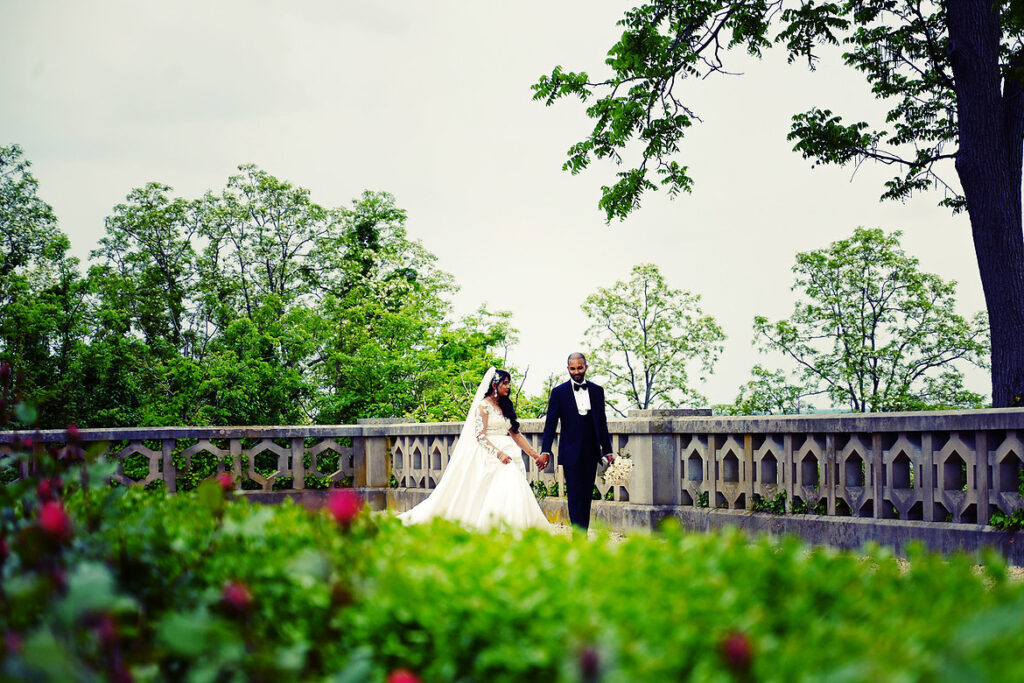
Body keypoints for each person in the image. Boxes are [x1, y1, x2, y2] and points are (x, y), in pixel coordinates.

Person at [398, 367, 552, 530]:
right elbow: (480, 436)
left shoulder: (505, 406)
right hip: (490, 454)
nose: (508, 387)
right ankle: (494, 526)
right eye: (504, 383)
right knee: (496, 489)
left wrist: (535, 455)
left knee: (512, 488)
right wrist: (498, 453)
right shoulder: (483, 407)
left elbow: (516, 434)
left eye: (509, 383)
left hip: (509, 453)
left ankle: (515, 526)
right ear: (494, 385)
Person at [540, 352, 614, 532]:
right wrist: (545, 450)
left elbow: (601, 422)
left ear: (586, 367)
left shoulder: (597, 391)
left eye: (580, 368)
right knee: (574, 495)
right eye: (572, 369)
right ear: (568, 369)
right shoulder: (559, 392)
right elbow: (550, 423)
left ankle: (584, 531)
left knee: (587, 495)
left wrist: (608, 450)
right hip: (570, 450)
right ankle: (578, 534)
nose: (576, 372)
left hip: (591, 450)